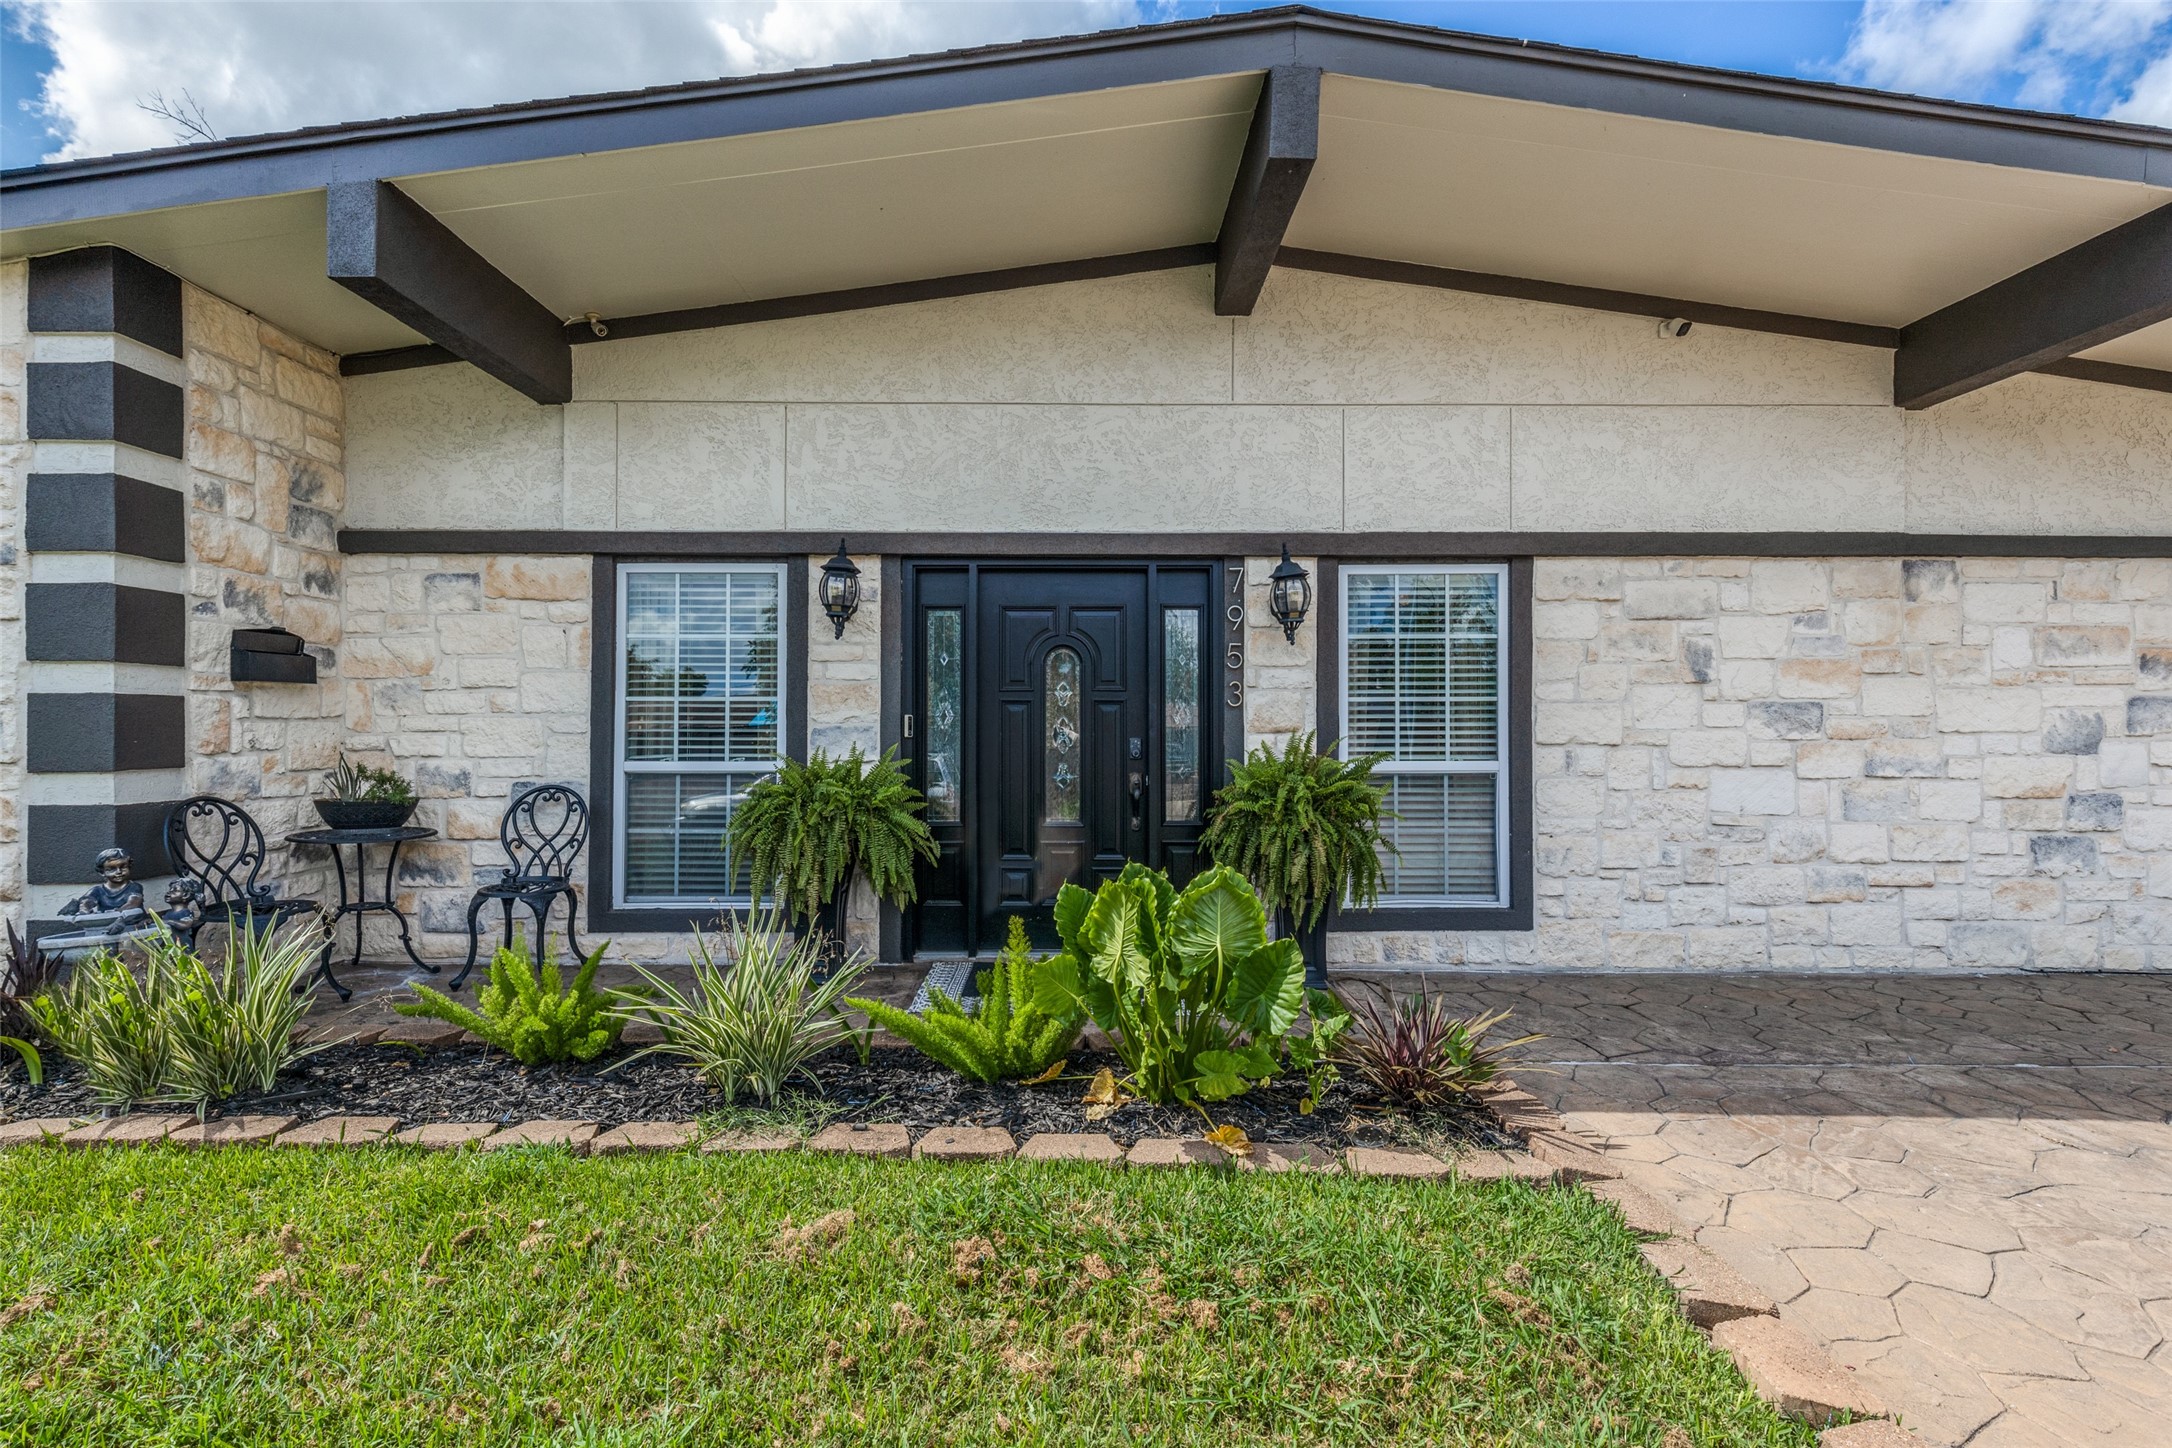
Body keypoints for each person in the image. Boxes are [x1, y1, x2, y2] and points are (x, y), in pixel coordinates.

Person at [57, 847, 146, 920]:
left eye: (123, 867)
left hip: (133, 925)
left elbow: (133, 903)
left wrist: (117, 915)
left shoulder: (134, 887)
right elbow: (87, 902)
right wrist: (84, 910)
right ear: (102, 872)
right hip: (106, 925)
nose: (118, 872)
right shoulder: (97, 890)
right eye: (111, 869)